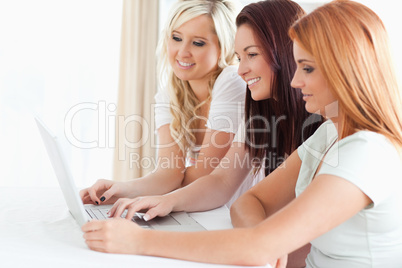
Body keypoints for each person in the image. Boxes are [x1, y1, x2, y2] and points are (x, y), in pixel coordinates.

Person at [82, 1, 402, 267]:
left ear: (343, 68)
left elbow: (260, 243)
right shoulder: (331, 133)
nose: (295, 80)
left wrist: (141, 241)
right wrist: (261, 239)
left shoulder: (365, 153)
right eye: (239, 57)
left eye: (306, 67)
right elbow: (247, 200)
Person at [80, 0, 247, 205]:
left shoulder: (232, 81)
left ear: (224, 48)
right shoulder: (171, 94)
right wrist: (119, 190)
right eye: (176, 38)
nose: (182, 52)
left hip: (234, 209)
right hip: (200, 206)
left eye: (198, 43)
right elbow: (168, 173)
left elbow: (205, 173)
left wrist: (146, 198)